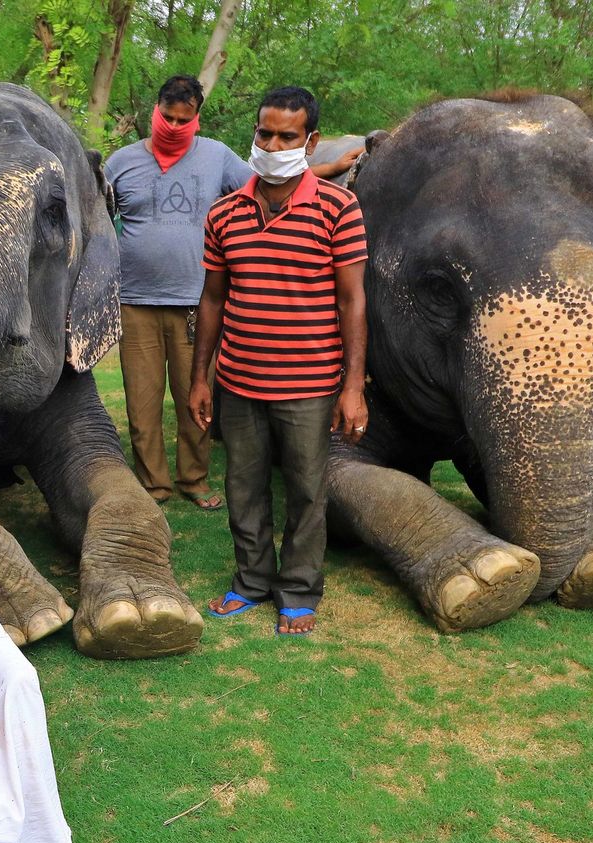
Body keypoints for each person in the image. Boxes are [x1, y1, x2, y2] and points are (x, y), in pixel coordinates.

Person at [106, 76, 360, 512]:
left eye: (183, 120)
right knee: (141, 403)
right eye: (166, 117)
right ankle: (154, 487)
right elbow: (98, 221)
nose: (173, 126)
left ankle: (194, 479)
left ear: (196, 119)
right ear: (154, 111)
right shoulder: (120, 162)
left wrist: (328, 171)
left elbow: (272, 178)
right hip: (135, 300)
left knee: (195, 398)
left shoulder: (216, 156)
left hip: (194, 300)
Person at [186, 87, 369, 637]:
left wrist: (353, 385)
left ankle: (298, 590)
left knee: (307, 488)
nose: (271, 144)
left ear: (310, 141)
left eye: (287, 136)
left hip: (309, 382)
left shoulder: (339, 207)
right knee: (243, 486)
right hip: (239, 380)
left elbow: (352, 300)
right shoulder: (225, 212)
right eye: (264, 133)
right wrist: (202, 377)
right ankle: (251, 580)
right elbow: (213, 298)